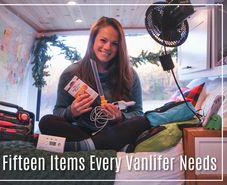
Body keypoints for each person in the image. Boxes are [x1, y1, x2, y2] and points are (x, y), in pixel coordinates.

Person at [39, 16, 151, 152]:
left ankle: (83, 147)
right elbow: (58, 112)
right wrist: (72, 111)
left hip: (114, 131)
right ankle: (106, 147)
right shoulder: (71, 73)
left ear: (120, 47)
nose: (107, 47)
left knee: (142, 122)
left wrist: (120, 117)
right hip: (81, 132)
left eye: (114, 43)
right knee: (46, 121)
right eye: (103, 40)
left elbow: (138, 112)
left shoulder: (129, 74)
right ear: (92, 41)